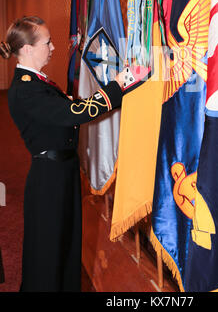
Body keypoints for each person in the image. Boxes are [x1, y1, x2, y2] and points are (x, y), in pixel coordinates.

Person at [0, 16, 127, 292]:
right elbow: (73, 113)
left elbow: (68, 108)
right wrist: (118, 85)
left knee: (66, 244)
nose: (53, 47)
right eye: (47, 42)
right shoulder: (25, 90)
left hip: (62, 172)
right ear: (28, 49)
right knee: (49, 251)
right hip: (49, 179)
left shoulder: (37, 82)